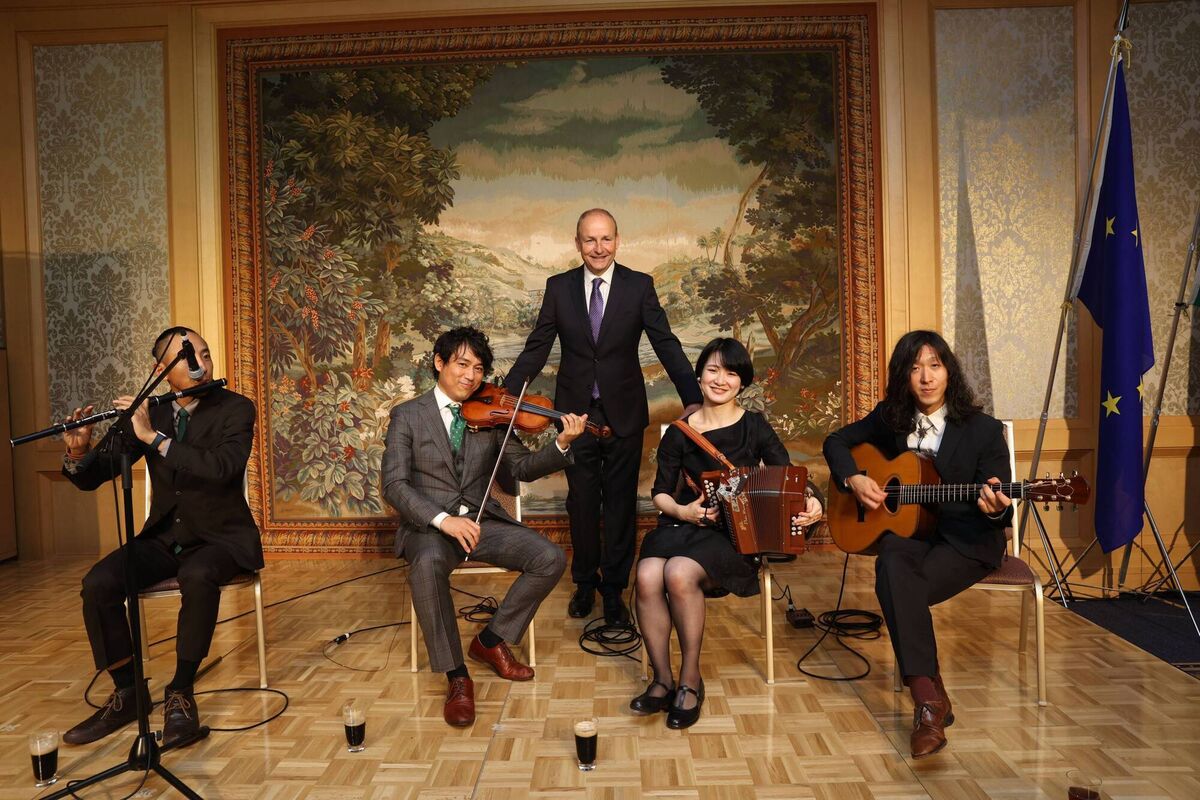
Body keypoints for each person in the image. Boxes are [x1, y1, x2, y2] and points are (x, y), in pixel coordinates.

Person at [60, 326, 262, 749]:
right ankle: (128, 692)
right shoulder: (150, 411)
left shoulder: (236, 408)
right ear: (162, 371)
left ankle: (181, 691)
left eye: (205, 354)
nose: (201, 365)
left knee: (199, 574)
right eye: (188, 358)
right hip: (165, 534)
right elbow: (96, 475)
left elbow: (223, 467)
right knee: (98, 583)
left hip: (222, 538)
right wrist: (79, 452)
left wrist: (156, 439)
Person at [505, 208, 703, 625]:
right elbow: (538, 346)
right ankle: (584, 584)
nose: (599, 248)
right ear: (577, 243)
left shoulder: (639, 286)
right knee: (580, 504)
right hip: (573, 415)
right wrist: (507, 394)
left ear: (617, 239)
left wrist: (693, 399)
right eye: (590, 240)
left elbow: (666, 344)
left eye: (606, 239)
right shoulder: (558, 288)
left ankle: (614, 590)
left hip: (625, 414)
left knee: (619, 505)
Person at [382, 326, 585, 727]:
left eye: (478, 368)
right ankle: (457, 675)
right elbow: (395, 485)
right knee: (425, 566)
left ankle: (490, 642)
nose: (471, 376)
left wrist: (561, 445)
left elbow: (521, 468)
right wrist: (443, 520)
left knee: (549, 556)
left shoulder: (491, 416)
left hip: (481, 521)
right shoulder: (407, 416)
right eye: (462, 364)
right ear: (439, 364)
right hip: (430, 529)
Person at [822, 330, 1012, 758]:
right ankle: (930, 699)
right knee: (891, 560)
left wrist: (996, 506)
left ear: (949, 372)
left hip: (966, 542)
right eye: (914, 367)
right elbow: (835, 441)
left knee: (895, 584)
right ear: (903, 376)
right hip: (912, 536)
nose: (925, 377)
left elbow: (1004, 510)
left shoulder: (982, 430)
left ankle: (928, 698)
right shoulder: (891, 419)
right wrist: (853, 477)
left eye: (935, 365)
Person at [631, 338, 823, 728]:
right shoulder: (679, 433)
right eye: (713, 370)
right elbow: (660, 495)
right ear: (700, 376)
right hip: (682, 523)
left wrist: (814, 501)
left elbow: (789, 477)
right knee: (648, 575)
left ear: (742, 382)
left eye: (731, 372)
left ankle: (690, 680)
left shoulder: (754, 426)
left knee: (678, 572)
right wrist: (685, 510)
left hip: (735, 535)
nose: (721, 379)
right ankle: (662, 679)